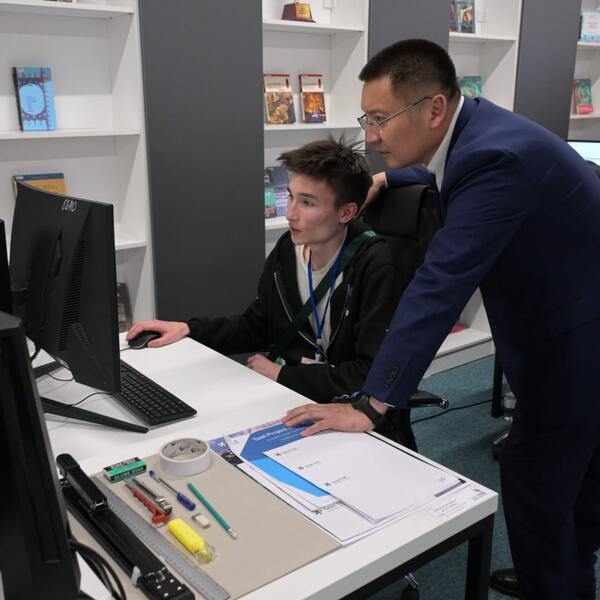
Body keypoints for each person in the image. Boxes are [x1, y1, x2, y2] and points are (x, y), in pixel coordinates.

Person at [283, 39, 600, 600]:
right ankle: (568, 569)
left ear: (433, 109)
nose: (371, 136)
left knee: (538, 475)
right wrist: (391, 178)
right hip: (575, 311)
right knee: (580, 471)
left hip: (578, 336)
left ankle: (556, 585)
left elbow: (438, 287)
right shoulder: (478, 128)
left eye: (380, 119)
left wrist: (372, 403)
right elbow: (443, 172)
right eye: (367, 118)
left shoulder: (494, 161)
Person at [127, 137, 415, 447]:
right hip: (294, 400)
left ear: (346, 212)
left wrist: (282, 375)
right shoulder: (288, 249)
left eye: (307, 203)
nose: (290, 213)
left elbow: (370, 372)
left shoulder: (375, 266)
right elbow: (258, 325)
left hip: (351, 415)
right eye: (290, 197)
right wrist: (189, 329)